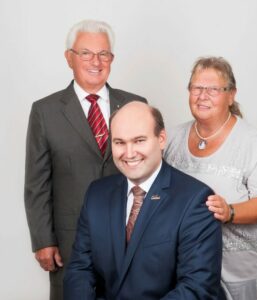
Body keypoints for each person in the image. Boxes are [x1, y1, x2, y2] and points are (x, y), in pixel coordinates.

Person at [24, 20, 146, 300]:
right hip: (71, 241)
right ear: (70, 58)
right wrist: (44, 240)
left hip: (130, 235)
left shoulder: (135, 105)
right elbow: (37, 184)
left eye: (104, 54)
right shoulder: (46, 111)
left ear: (112, 59)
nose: (96, 61)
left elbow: (149, 171)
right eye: (86, 53)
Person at [64, 101, 224, 300]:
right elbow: (80, 269)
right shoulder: (97, 194)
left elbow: (197, 289)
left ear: (161, 139)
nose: (129, 153)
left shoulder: (196, 199)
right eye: (119, 142)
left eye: (139, 140)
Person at [164, 56, 257, 300]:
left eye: (213, 89)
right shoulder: (173, 138)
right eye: (197, 88)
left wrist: (230, 212)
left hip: (236, 271)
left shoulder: (252, 142)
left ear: (231, 94)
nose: (202, 95)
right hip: (186, 268)